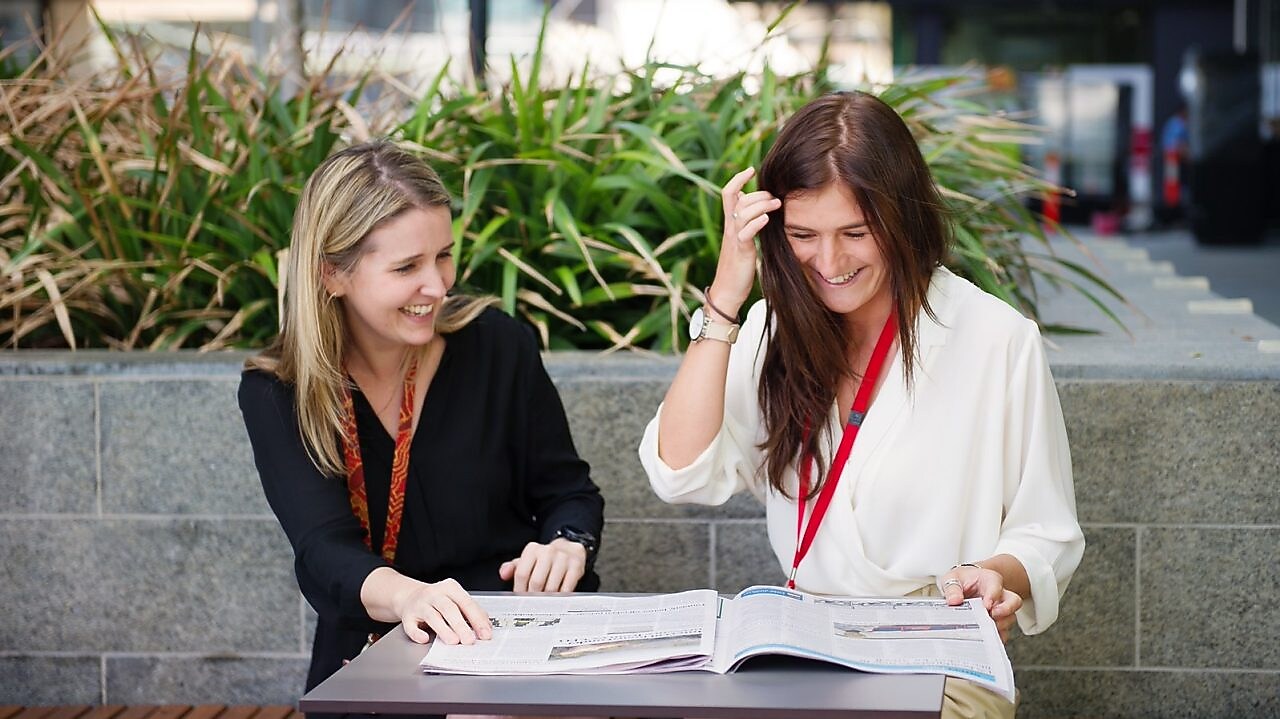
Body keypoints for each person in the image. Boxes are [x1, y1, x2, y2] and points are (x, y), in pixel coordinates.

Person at [638, 91, 1084, 717]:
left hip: (938, 646)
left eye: (855, 233)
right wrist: (726, 297)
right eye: (803, 235)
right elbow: (679, 472)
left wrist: (996, 576)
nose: (829, 261)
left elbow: (1045, 531)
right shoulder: (770, 330)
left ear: (902, 218)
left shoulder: (996, 337)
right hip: (803, 646)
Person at [239, 140, 605, 709]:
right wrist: (411, 599)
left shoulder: (499, 345)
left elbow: (569, 493)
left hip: (511, 640)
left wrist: (566, 545)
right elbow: (324, 550)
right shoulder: (278, 390)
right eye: (407, 267)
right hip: (376, 653)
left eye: (444, 256)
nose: (438, 286)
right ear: (332, 274)